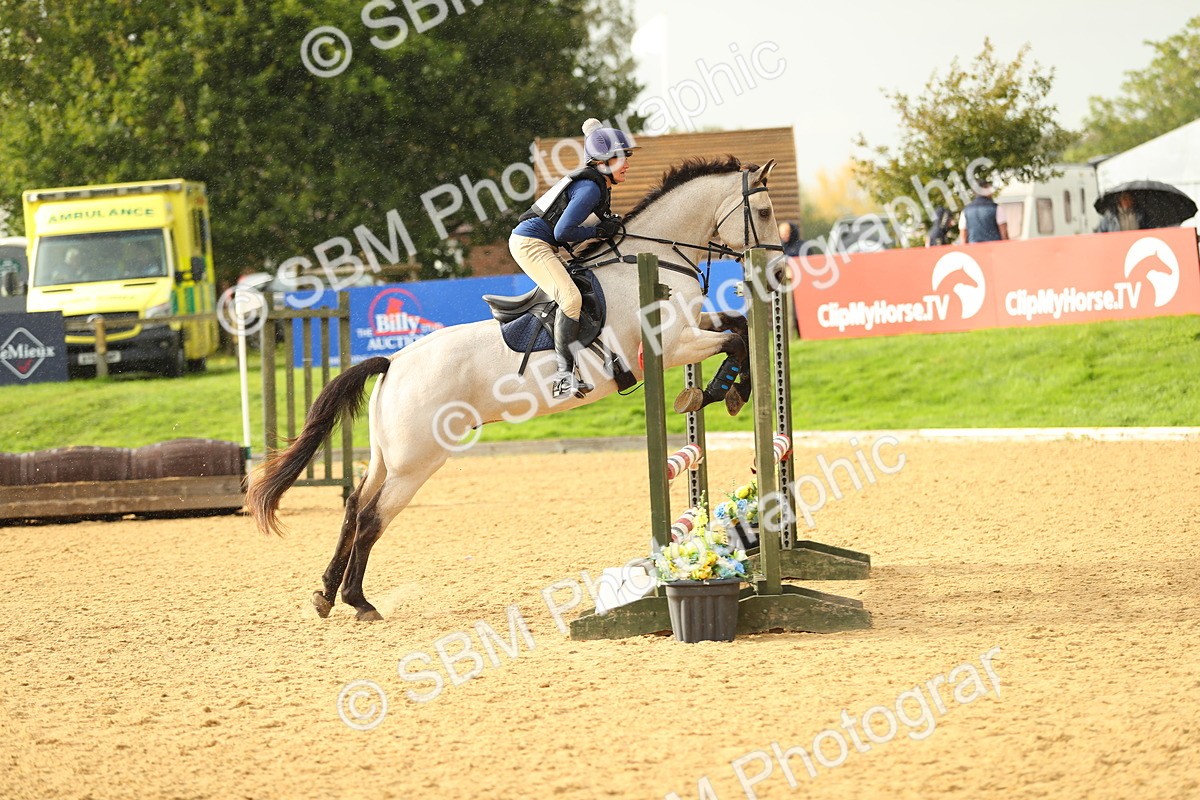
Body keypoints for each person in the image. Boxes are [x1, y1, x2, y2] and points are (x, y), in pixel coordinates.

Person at [510, 117, 637, 399]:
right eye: (621, 158)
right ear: (603, 161)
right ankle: (563, 377)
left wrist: (604, 228)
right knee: (571, 299)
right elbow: (563, 230)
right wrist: (598, 230)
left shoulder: (597, 185)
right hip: (531, 244)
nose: (627, 164)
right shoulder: (591, 188)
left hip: (542, 243)